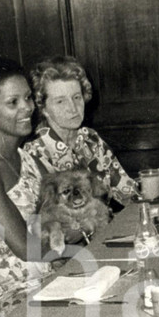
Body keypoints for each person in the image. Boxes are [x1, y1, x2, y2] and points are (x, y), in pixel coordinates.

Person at [0, 56, 70, 311]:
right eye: (13, 102)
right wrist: (73, 243)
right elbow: (27, 248)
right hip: (11, 293)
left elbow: (59, 218)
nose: (27, 108)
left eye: (28, 98)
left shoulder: (27, 158)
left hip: (47, 278)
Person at [23, 55, 136, 206]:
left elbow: (127, 191)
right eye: (60, 101)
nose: (73, 108)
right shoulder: (34, 153)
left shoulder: (90, 138)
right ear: (42, 108)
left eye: (76, 97)